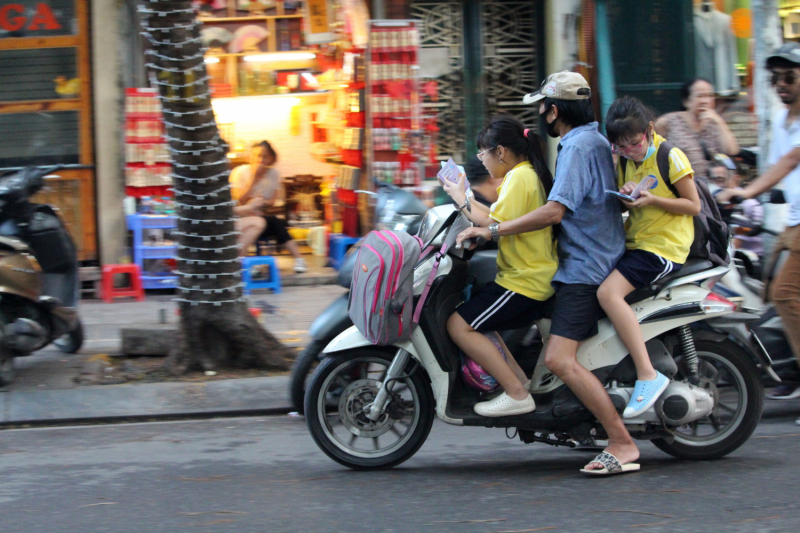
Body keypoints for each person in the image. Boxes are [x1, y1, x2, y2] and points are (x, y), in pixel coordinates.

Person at [458, 71, 638, 474]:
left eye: (542, 107)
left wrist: (492, 229)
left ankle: (622, 443)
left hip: (584, 267)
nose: (540, 116)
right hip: (585, 259)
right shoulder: (590, 141)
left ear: (553, 110)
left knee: (559, 359)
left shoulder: (576, 146)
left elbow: (555, 211)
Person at [443, 117, 558, 417]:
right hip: (524, 275)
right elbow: (494, 215)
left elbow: (490, 224)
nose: (482, 160)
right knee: (483, 324)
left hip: (525, 279)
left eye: (484, 154)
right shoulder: (522, 175)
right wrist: (464, 198)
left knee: (459, 325)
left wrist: (460, 200)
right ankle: (519, 381)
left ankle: (517, 394)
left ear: (501, 152)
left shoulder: (521, 178)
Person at [598, 96, 701, 419]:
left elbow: (693, 205)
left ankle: (647, 373)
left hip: (664, 249)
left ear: (650, 130)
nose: (630, 150)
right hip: (638, 244)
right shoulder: (627, 160)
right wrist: (628, 195)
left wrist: (652, 200)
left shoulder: (671, 156)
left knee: (608, 294)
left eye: (634, 142)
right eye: (621, 147)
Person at [717, 42, 800, 409]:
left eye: (790, 77)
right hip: (794, 223)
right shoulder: (785, 120)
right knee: (767, 293)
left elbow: (789, 162)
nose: (781, 84)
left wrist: (745, 191)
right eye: (776, 78)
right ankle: (789, 372)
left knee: (784, 295)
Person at [230, 141, 307, 273]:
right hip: (242, 218)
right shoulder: (240, 172)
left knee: (276, 223)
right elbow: (237, 201)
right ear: (250, 157)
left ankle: (299, 260)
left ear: (272, 158)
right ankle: (244, 263)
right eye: (257, 156)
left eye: (265, 157)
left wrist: (261, 202)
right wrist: (254, 179)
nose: (260, 160)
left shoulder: (274, 174)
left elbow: (272, 201)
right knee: (273, 222)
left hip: (261, 215)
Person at [655, 78, 740, 181]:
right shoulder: (667, 122)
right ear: (686, 101)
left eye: (709, 96)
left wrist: (719, 122)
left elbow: (732, 150)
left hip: (711, 186)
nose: (705, 101)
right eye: (700, 96)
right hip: (679, 183)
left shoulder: (714, 123)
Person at [709, 157, 764, 255]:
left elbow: (735, 243)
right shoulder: (714, 203)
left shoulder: (747, 205)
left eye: (720, 179)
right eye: (713, 180)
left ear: (735, 178)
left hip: (747, 260)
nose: (717, 185)